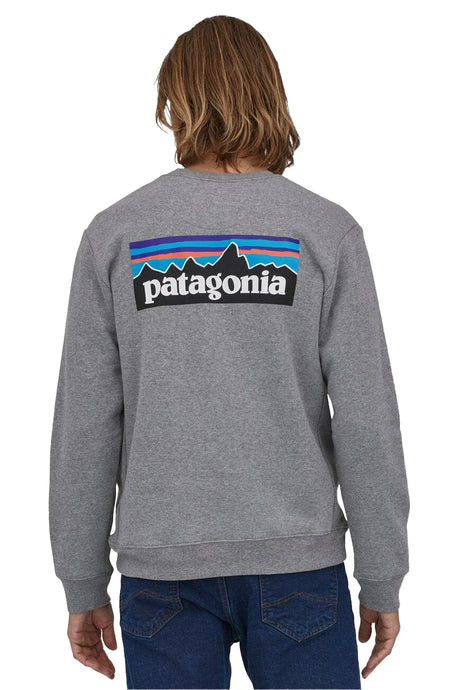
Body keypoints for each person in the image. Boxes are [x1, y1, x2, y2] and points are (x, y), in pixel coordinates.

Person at [48, 14, 410, 690]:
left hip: (163, 574)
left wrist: (82, 580)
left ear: (175, 100)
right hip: (298, 569)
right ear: (270, 92)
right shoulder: (323, 232)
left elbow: (86, 425)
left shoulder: (117, 235)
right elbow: (367, 419)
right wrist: (383, 574)